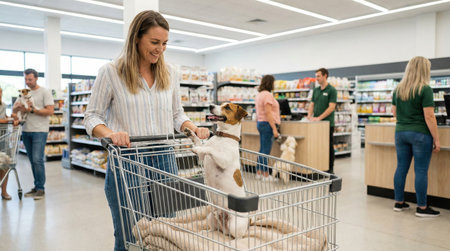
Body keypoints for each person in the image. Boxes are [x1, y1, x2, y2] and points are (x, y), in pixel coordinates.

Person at [83, 10, 209, 251]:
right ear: (136, 39)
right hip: (128, 161)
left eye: (164, 43)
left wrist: (192, 127)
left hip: (164, 158)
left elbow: (176, 114)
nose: (160, 49)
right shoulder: (110, 72)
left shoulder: (170, 73)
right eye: (154, 42)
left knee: (166, 232)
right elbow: (92, 117)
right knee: (131, 234)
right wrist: (110, 134)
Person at [392, 56, 440, 217]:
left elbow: (394, 112)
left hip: (400, 133)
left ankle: (399, 203)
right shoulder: (424, 89)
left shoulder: (398, 89)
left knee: (401, 168)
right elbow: (429, 117)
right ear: (424, 70)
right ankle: (422, 208)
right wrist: (437, 139)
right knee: (420, 170)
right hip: (420, 133)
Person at [12, 68, 54, 200]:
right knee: (32, 161)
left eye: (30, 79)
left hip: (39, 130)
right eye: (25, 79)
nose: (27, 82)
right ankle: (36, 186)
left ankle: (41, 188)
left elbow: (50, 111)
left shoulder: (44, 92)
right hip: (26, 130)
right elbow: (14, 112)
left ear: (36, 78)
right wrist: (17, 110)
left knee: (37, 160)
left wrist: (31, 110)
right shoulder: (23, 93)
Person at [307, 68, 337, 174]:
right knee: (318, 145)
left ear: (325, 76)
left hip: (327, 123)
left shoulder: (331, 90)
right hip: (316, 124)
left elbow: (331, 107)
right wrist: (309, 115)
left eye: (318, 76)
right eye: (316, 76)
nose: (317, 78)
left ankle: (330, 168)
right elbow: (312, 104)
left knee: (328, 146)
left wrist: (319, 118)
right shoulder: (316, 90)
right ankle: (320, 165)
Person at [255, 74, 280, 180]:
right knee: (266, 150)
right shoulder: (268, 95)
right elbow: (268, 113)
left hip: (260, 123)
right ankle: (265, 175)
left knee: (262, 149)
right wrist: (274, 128)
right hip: (267, 124)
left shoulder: (259, 95)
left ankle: (259, 172)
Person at [0, 87, 19, 200]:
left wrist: (12, 118)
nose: (0, 94)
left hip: (3, 138)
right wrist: (7, 121)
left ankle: (4, 191)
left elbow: (4, 117)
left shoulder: (3, 105)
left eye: (1, 91)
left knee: (6, 164)